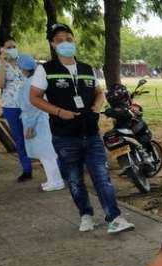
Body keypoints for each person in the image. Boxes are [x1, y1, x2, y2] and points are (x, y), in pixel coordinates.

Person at [29, 23, 134, 234]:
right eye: (59, 40)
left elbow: (99, 92)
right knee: (75, 181)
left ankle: (114, 217)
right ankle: (86, 215)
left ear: (73, 40)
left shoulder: (86, 69)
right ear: (52, 44)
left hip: (91, 133)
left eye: (68, 39)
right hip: (65, 136)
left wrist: (96, 105)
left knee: (102, 177)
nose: (65, 43)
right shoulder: (46, 70)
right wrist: (59, 112)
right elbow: (34, 98)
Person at [16, 54, 64, 192]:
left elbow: (31, 106)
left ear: (24, 68)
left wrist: (30, 125)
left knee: (46, 154)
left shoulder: (30, 83)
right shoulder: (35, 81)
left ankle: (56, 181)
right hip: (41, 119)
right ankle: (52, 180)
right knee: (46, 153)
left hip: (37, 122)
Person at [0, 36, 33, 181]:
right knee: (20, 138)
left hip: (30, 104)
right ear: (2, 49)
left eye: (14, 46)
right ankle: (27, 169)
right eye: (9, 47)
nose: (12, 49)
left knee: (38, 134)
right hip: (11, 106)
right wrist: (3, 62)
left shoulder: (25, 61)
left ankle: (53, 167)